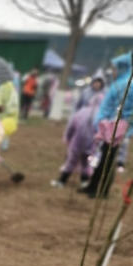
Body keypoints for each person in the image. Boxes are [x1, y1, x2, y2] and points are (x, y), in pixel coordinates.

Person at [81, 53, 133, 198]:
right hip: (109, 127)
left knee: (107, 161)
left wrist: (121, 126)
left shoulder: (126, 84)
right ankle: (93, 186)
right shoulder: (121, 82)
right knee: (103, 158)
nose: (113, 72)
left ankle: (101, 190)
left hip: (116, 129)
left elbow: (123, 109)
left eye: (115, 69)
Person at [51, 87, 104, 188]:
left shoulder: (82, 111)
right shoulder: (102, 115)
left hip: (77, 142)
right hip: (92, 145)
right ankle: (84, 182)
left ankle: (62, 181)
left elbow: (71, 125)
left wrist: (67, 137)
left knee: (71, 161)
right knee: (86, 163)